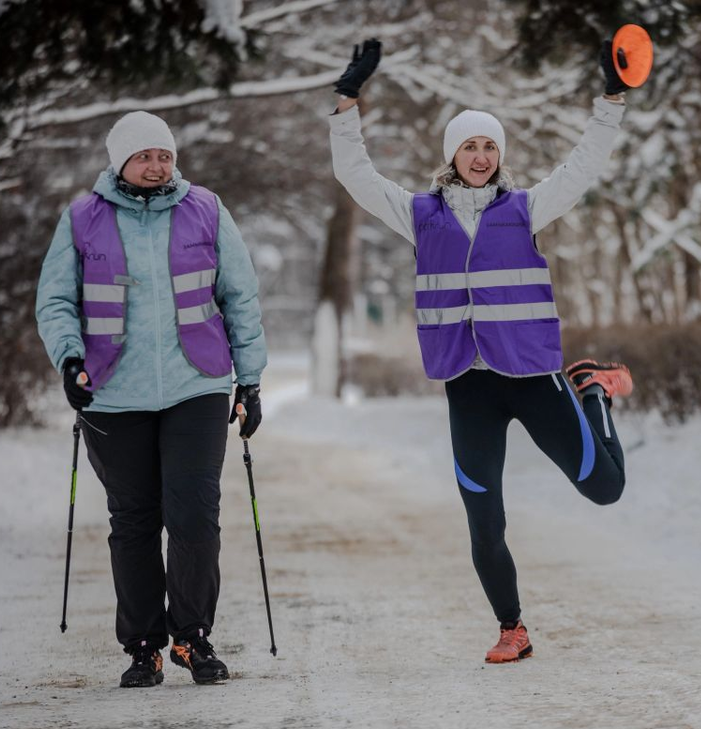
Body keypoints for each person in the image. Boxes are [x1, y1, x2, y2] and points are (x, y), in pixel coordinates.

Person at [329, 39, 635, 663]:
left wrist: (611, 101)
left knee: (605, 489)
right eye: (470, 145)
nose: (481, 155)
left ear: (500, 157)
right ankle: (512, 628)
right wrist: (347, 103)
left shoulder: (525, 208)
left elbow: (581, 167)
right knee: (483, 518)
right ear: (452, 155)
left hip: (532, 374)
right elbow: (355, 175)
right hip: (467, 384)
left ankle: (594, 389)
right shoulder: (420, 215)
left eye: (490, 146)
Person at [36, 111, 267, 687]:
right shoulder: (83, 219)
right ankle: (143, 646)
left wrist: (251, 379)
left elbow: (239, 295)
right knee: (134, 521)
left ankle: (193, 638)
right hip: (113, 392)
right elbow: (56, 299)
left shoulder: (206, 209)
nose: (156, 165)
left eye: (163, 155)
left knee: (194, 516)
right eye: (144, 156)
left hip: (197, 384)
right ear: (120, 162)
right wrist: (69, 359)